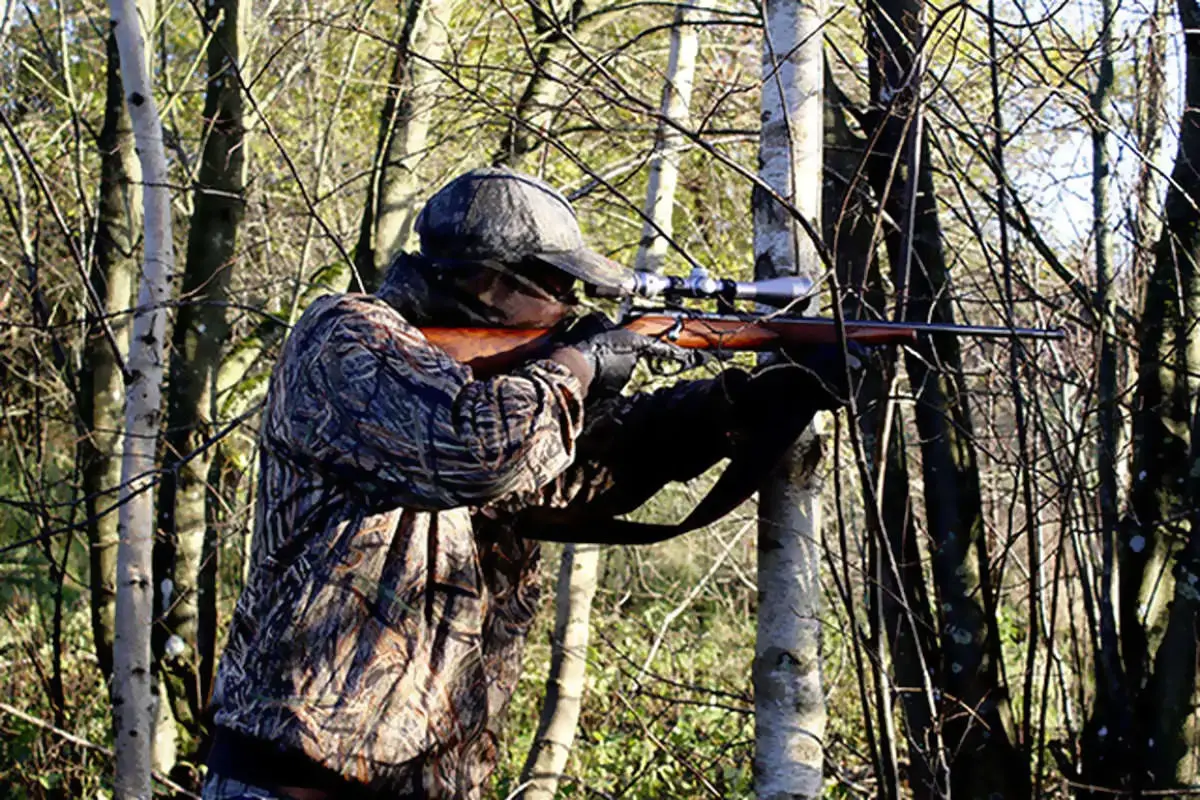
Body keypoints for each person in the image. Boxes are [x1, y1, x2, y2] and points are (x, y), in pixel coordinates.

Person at [201, 167, 849, 800]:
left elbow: (578, 480)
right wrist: (580, 364)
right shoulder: (347, 337)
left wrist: (741, 408)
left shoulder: (486, 391)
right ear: (489, 279)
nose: (569, 307)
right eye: (556, 285)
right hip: (292, 780)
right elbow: (478, 450)